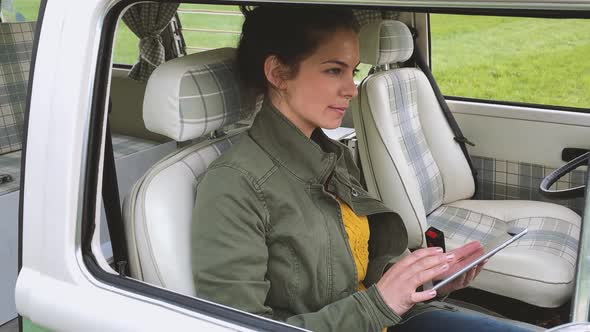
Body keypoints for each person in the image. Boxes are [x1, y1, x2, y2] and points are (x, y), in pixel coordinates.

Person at [191, 6, 533, 332]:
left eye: (352, 71)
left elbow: (364, 264)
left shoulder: (333, 155)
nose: (352, 90)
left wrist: (430, 279)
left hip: (392, 318)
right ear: (278, 73)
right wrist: (378, 304)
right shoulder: (234, 186)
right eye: (333, 70)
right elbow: (237, 326)